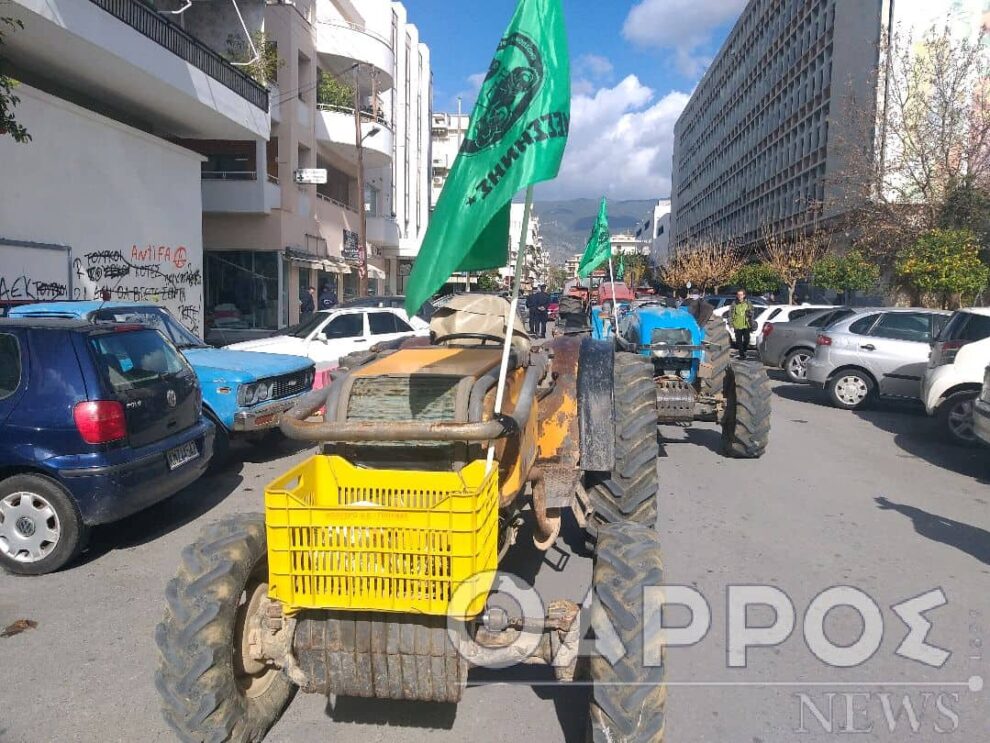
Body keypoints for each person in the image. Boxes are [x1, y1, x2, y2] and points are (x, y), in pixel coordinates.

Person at [729, 288, 756, 360]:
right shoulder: (734, 303)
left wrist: (750, 314)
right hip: (737, 325)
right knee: (739, 341)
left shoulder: (748, 303)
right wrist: (731, 325)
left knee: (747, 339)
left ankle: (744, 350)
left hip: (746, 325)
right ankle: (742, 355)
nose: (739, 296)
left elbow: (752, 311)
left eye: (741, 295)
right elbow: (731, 315)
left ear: (744, 295)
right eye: (738, 295)